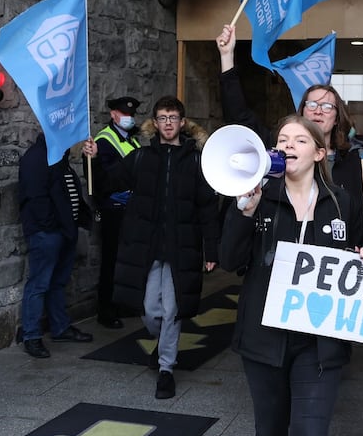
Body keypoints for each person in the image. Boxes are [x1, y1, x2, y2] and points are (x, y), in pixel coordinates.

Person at [219, 114, 363, 436]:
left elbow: (358, 253)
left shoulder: (342, 203)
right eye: (282, 139)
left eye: (300, 140)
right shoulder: (257, 197)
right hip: (263, 340)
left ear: (319, 153)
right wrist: (242, 212)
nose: (288, 144)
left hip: (319, 344)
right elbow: (229, 260)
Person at [83, 95, 219, 400]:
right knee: (150, 311)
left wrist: (212, 250)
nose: (168, 123)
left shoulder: (197, 162)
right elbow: (104, 184)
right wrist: (90, 158)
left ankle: (166, 369)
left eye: (173, 118)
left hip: (181, 247)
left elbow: (207, 208)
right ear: (154, 123)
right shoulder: (140, 158)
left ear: (182, 123)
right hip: (147, 247)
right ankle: (164, 344)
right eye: (162, 118)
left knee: (172, 310)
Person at [216, 24, 363, 204]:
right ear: (301, 112)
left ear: (336, 118)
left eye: (326, 106)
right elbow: (238, 116)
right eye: (311, 104)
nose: (318, 111)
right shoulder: (279, 152)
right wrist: (226, 56)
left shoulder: (353, 160)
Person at [18, 133, 94, 359]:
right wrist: (52, 227)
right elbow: (36, 197)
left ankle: (60, 327)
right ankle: (31, 336)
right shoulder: (36, 157)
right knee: (39, 284)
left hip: (63, 232)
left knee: (58, 282)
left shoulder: (59, 156)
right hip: (48, 234)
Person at [85, 96, 142, 329]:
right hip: (113, 211)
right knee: (111, 261)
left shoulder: (132, 140)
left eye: (131, 114)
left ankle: (123, 304)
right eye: (123, 113)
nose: (128, 117)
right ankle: (106, 310)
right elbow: (99, 179)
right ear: (113, 115)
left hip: (130, 209)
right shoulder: (104, 141)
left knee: (127, 260)